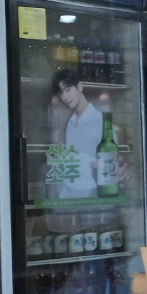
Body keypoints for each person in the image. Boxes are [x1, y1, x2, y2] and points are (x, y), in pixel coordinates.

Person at [52, 68, 103, 199]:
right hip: (70, 190)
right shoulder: (71, 121)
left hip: (91, 195)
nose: (65, 97)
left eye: (68, 89)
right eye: (61, 93)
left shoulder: (99, 120)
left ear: (80, 86)